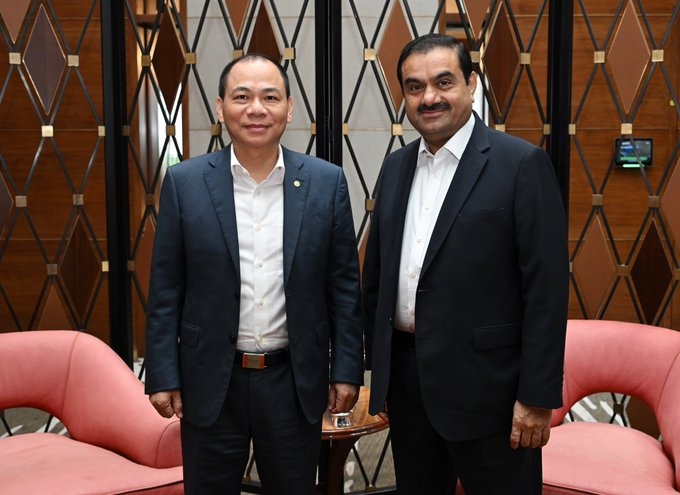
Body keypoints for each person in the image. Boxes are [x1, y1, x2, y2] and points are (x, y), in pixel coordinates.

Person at [144, 53, 364, 495]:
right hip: (211, 379)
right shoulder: (185, 183)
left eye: (270, 97)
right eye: (242, 97)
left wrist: (346, 369)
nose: (256, 109)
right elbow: (166, 288)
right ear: (220, 106)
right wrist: (164, 374)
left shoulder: (326, 183)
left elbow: (343, 287)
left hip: (292, 380)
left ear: (290, 108)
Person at [362, 34, 569, 494]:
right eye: (415, 87)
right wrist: (380, 374)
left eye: (443, 82)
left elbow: (547, 292)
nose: (429, 98)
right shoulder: (395, 168)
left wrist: (536, 398)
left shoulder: (521, 164)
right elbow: (377, 279)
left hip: (492, 395)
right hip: (409, 387)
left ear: (471, 84)